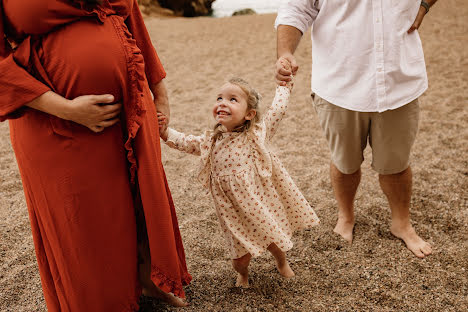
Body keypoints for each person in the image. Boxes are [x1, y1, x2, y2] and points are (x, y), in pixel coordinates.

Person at [0, 0, 191, 310]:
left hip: (132, 99)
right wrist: (67, 110)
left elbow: (133, 20)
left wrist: (160, 92)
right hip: (53, 121)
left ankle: (148, 280)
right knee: (85, 216)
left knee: (139, 194)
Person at [275, 0, 437, 258]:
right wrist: (285, 52)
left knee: (396, 164)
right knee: (345, 163)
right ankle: (346, 216)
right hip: (339, 84)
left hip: (399, 80)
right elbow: (296, 8)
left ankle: (401, 223)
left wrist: (425, 5)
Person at [157, 67, 320, 288]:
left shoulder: (255, 134)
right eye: (219, 98)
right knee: (239, 259)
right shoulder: (212, 141)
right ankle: (243, 274)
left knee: (274, 241)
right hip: (231, 212)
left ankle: (281, 262)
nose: (223, 103)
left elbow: (277, 110)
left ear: (249, 114)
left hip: (257, 205)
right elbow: (186, 142)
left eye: (232, 99)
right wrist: (165, 132)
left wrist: (284, 86)